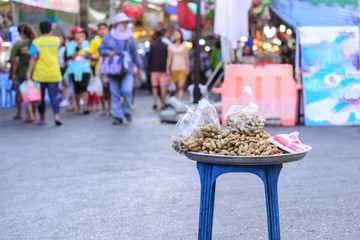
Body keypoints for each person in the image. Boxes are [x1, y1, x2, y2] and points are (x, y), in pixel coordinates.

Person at [98, 12, 142, 125]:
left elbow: (135, 54)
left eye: (127, 22)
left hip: (127, 69)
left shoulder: (130, 38)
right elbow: (100, 49)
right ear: (117, 24)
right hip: (113, 70)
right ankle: (118, 116)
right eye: (124, 22)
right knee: (114, 93)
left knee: (127, 90)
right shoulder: (109, 37)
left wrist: (140, 68)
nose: (126, 25)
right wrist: (109, 52)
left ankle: (127, 111)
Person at [26, 21, 62, 126]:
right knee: (54, 96)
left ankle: (43, 118)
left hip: (40, 74)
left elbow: (33, 58)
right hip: (54, 73)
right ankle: (57, 116)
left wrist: (29, 72)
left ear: (40, 29)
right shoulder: (56, 40)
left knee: (40, 98)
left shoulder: (37, 42)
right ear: (50, 29)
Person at [64, 27, 93, 114]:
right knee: (77, 89)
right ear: (73, 35)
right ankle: (78, 107)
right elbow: (72, 56)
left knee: (84, 87)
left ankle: (85, 107)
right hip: (73, 69)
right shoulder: (70, 45)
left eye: (81, 33)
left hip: (85, 68)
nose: (80, 35)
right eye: (77, 33)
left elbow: (89, 54)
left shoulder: (87, 43)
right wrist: (78, 47)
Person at [12, 24, 37, 123]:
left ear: (22, 34)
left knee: (25, 94)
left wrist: (14, 74)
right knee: (34, 94)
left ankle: (29, 115)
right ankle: (31, 114)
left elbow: (15, 62)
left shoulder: (19, 45)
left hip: (23, 72)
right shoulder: (35, 43)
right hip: (36, 72)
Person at [89, 23, 112, 116]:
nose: (102, 31)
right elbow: (90, 55)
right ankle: (104, 108)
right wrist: (100, 58)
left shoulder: (111, 39)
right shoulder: (94, 41)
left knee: (110, 90)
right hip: (99, 69)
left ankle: (111, 108)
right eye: (100, 29)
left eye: (104, 29)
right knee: (101, 90)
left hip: (110, 69)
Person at [166, 29, 189, 101]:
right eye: (175, 34)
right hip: (174, 68)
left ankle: (180, 101)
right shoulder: (171, 46)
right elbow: (169, 58)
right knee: (177, 86)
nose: (176, 35)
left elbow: (186, 58)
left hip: (182, 67)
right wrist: (167, 68)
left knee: (181, 86)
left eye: (177, 34)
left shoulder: (184, 45)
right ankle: (178, 100)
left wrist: (188, 68)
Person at [148, 30, 169, 110]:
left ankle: (155, 102)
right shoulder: (165, 45)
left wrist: (149, 69)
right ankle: (163, 104)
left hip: (154, 68)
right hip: (163, 68)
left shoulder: (152, 45)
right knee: (163, 86)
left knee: (154, 86)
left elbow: (150, 57)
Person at [10, 23, 26, 120]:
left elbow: (13, 60)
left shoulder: (17, 44)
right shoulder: (33, 42)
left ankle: (20, 112)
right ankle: (30, 113)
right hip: (32, 71)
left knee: (19, 92)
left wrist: (13, 73)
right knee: (30, 91)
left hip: (21, 71)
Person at [58, 34, 70, 107]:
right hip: (58, 67)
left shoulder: (67, 47)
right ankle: (64, 97)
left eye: (61, 39)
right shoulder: (58, 48)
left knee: (66, 83)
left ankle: (66, 99)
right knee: (61, 84)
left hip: (65, 67)